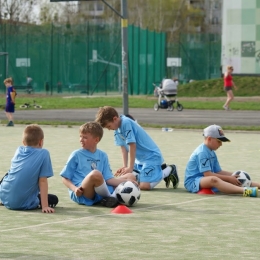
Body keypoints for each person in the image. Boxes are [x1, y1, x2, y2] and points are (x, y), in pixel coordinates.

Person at [95, 106, 179, 191]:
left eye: (109, 126)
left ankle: (169, 170)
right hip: (139, 160)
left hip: (151, 157)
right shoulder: (116, 129)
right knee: (128, 178)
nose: (109, 129)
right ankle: (143, 173)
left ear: (115, 118)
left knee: (144, 186)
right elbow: (123, 148)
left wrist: (130, 168)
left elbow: (132, 145)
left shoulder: (126, 123)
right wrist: (125, 166)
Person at [60, 122, 137, 208]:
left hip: (99, 188)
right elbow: (65, 178)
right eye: (80, 136)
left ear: (96, 140)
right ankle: (110, 197)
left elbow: (109, 180)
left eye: (85, 137)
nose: (81, 139)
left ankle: (107, 199)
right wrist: (74, 189)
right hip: (83, 192)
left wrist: (127, 181)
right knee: (95, 174)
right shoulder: (76, 155)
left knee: (130, 176)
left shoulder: (103, 155)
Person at [184, 124, 259, 197]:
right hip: (193, 182)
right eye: (219, 141)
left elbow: (218, 171)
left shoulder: (211, 152)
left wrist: (234, 175)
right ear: (209, 139)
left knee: (237, 178)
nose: (221, 144)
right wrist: (229, 178)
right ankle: (245, 191)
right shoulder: (202, 152)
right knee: (214, 179)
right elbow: (208, 175)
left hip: (204, 179)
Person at [0, 124, 58, 212]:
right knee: (54, 199)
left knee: (8, 174)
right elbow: (42, 181)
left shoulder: (19, 150)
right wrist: (45, 206)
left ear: (23, 142)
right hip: (22, 204)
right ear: (41, 142)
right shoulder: (44, 153)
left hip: (4, 196)